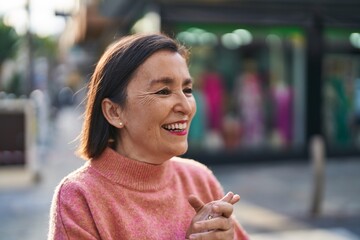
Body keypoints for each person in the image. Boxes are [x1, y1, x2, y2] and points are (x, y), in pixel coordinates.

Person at [48, 33, 249, 240]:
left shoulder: (199, 179)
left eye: (187, 90)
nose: (186, 106)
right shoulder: (79, 196)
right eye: (163, 91)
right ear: (114, 112)